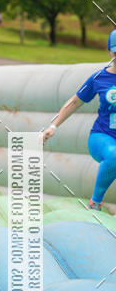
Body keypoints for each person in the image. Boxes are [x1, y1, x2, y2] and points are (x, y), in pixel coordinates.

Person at [42, 29, 116, 210]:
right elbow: (74, 102)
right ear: (109, 52)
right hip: (102, 137)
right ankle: (95, 202)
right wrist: (53, 126)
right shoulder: (99, 78)